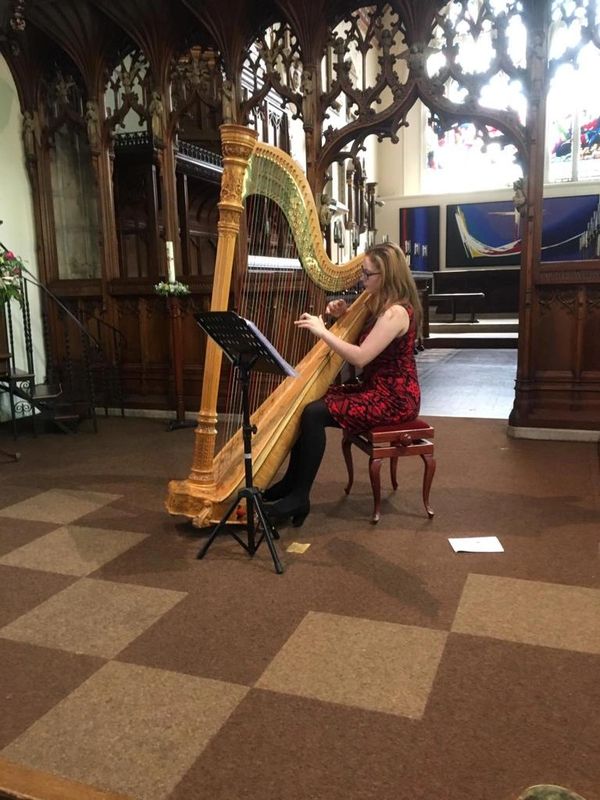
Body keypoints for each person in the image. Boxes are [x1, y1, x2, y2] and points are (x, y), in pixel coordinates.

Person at [263, 241, 422, 526]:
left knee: (314, 413)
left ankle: (299, 496)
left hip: (395, 398)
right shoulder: (377, 302)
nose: (361, 279)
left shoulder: (396, 313)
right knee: (307, 404)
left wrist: (323, 330)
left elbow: (361, 357)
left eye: (367, 274)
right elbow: (368, 338)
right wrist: (342, 316)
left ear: (386, 276)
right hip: (375, 388)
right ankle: (291, 483)